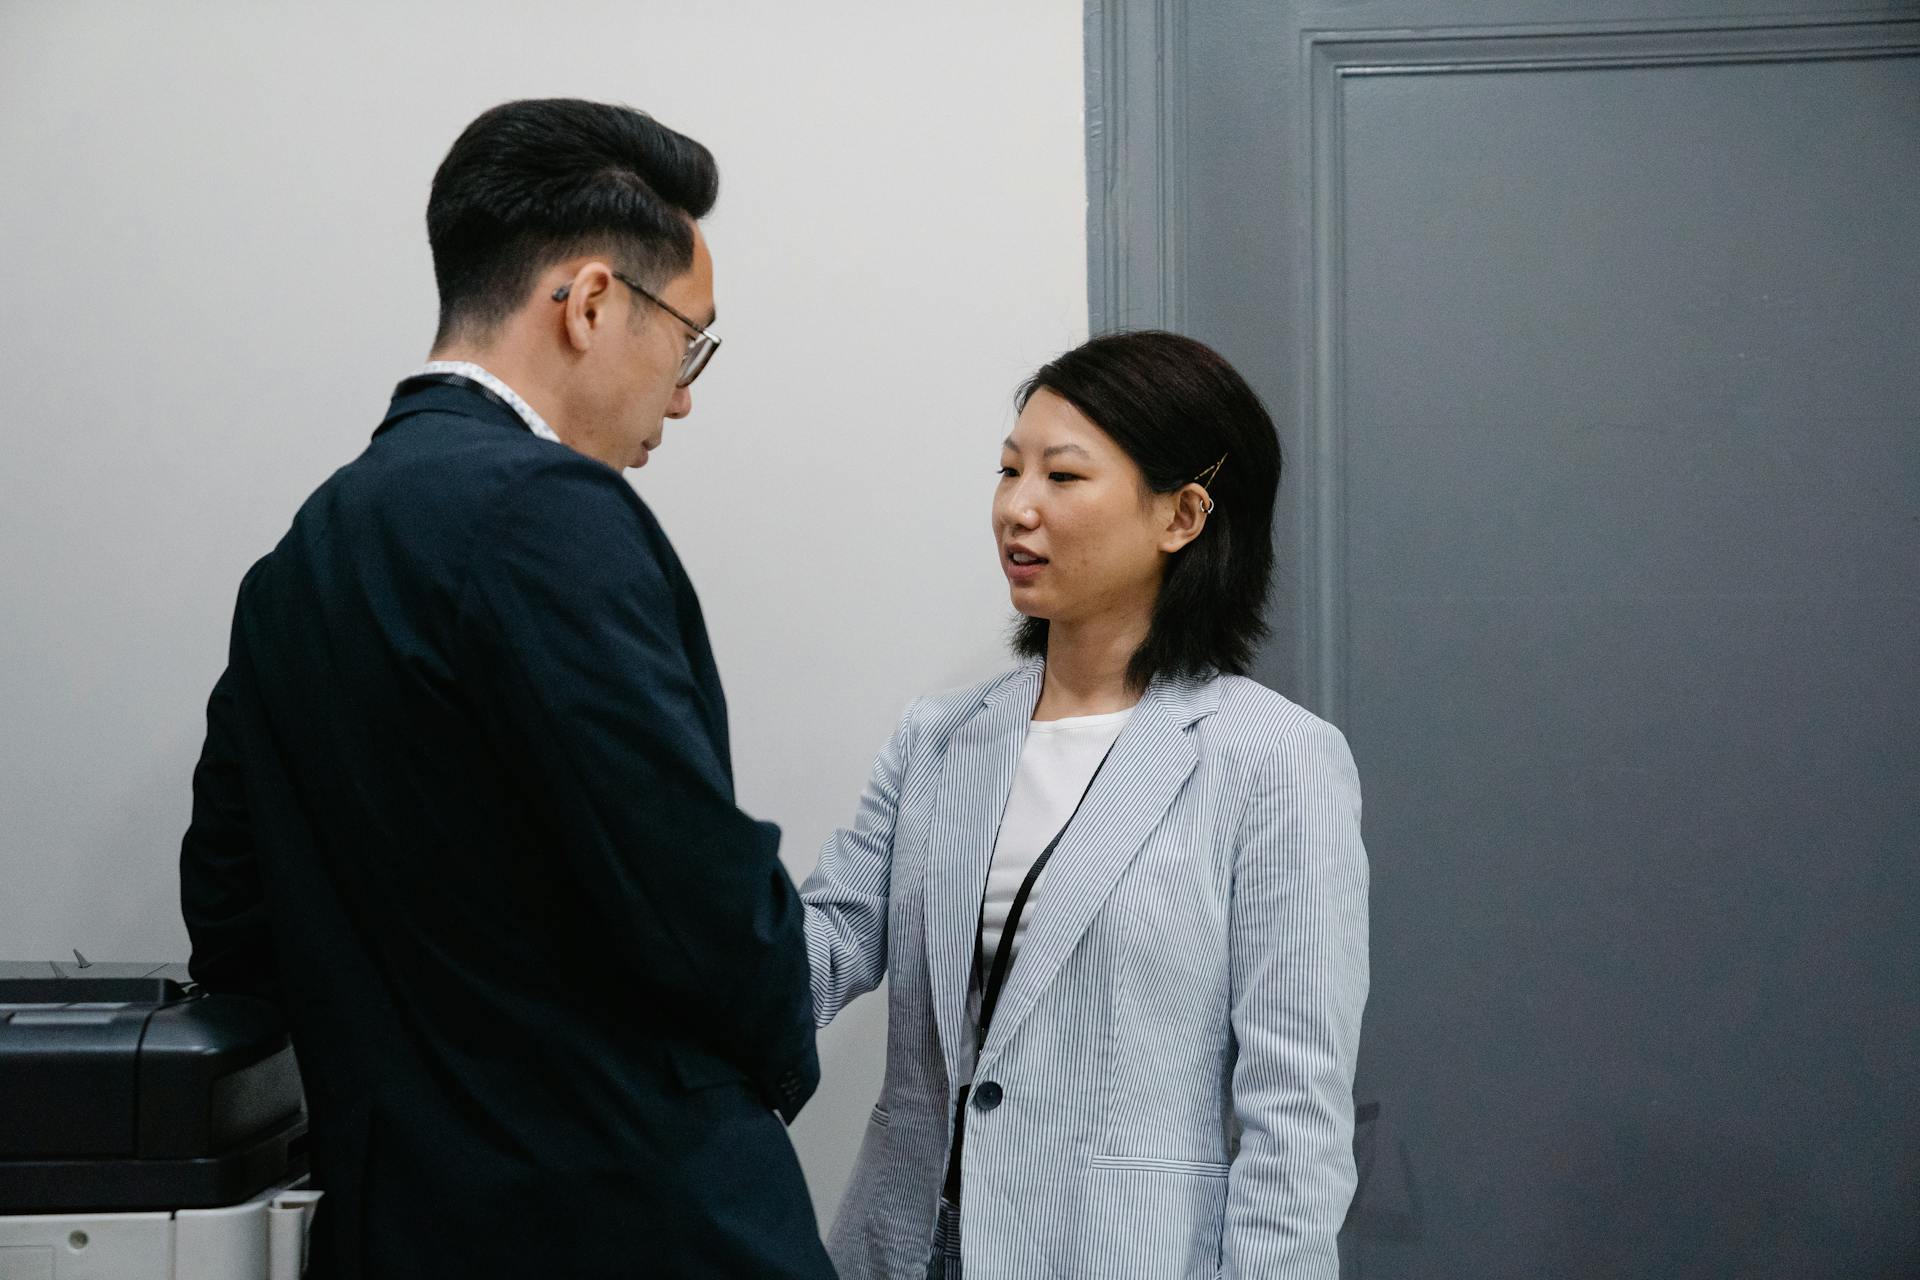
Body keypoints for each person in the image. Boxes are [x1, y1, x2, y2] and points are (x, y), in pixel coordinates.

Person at [178, 99, 832, 1279]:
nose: (682, 395)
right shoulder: (545, 515)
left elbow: (231, 909)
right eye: (687, 339)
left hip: (400, 1225)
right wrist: (774, 1056)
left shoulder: (300, 559)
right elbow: (692, 885)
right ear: (588, 303)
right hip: (628, 1219)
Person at [802, 331, 1370, 1278]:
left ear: (1183, 515)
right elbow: (820, 950)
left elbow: (1296, 1115)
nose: (1015, 508)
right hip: (894, 1253)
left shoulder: (1274, 761)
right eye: (1007, 469)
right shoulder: (938, 738)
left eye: (1063, 478)